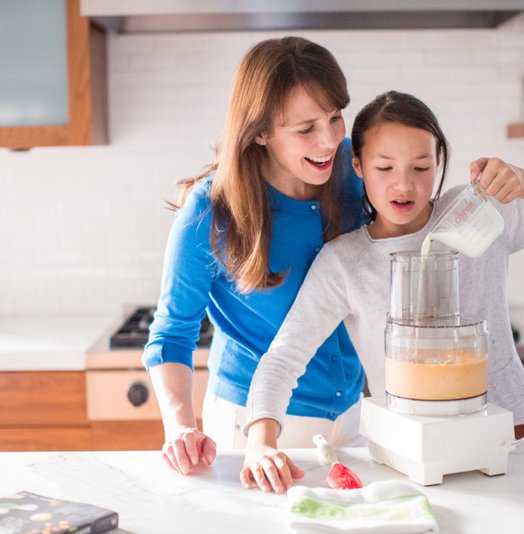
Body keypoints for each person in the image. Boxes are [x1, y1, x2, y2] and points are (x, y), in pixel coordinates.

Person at [241, 90, 524, 493]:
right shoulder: (345, 262)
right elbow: (284, 358)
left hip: (502, 439)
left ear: (440, 162)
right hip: (406, 456)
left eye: (421, 167)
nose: (404, 185)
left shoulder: (477, 213)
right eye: (384, 167)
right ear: (358, 165)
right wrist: (260, 441)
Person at [142, 36, 370, 477]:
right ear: (261, 131)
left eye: (336, 118)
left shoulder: (351, 169)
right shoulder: (210, 210)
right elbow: (171, 335)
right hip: (254, 424)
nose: (329, 140)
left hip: (353, 413)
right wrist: (181, 429)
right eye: (305, 129)